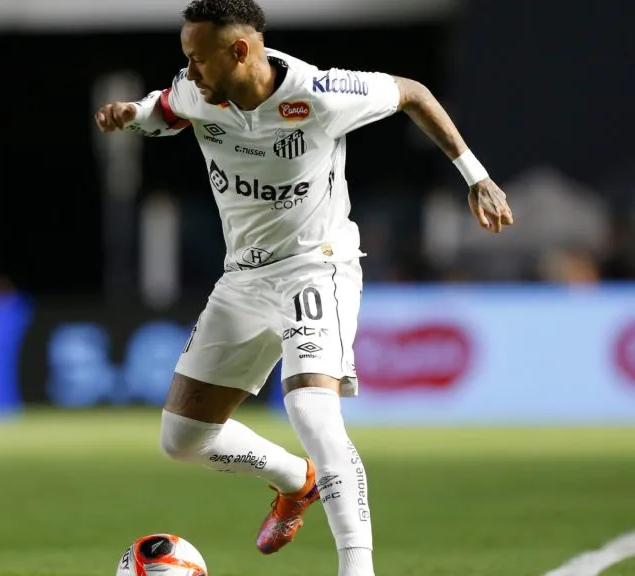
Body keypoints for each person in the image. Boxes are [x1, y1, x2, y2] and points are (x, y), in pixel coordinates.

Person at [94, 1, 513, 575]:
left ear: (240, 51)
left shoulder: (319, 92)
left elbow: (413, 92)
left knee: (313, 413)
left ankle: (356, 568)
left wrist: (477, 177)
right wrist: (130, 113)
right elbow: (165, 108)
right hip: (243, 277)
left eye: (197, 58)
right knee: (183, 438)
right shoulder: (198, 92)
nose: (189, 70)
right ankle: (297, 480)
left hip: (317, 267)